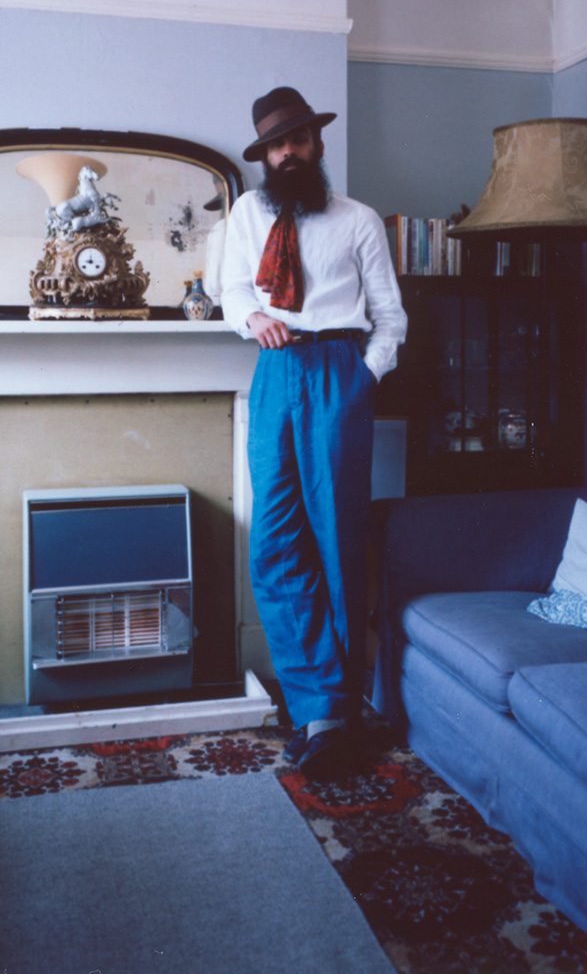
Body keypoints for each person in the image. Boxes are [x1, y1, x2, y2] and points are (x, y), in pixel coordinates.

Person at [221, 86, 407, 780]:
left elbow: (390, 317)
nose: (289, 153)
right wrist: (252, 319)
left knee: (337, 542)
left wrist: (362, 377)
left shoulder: (358, 220)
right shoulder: (247, 214)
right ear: (265, 156)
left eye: (298, 139)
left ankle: (339, 715)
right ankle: (314, 705)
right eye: (277, 144)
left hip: (337, 372)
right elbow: (232, 289)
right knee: (275, 545)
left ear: (317, 144)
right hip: (275, 373)